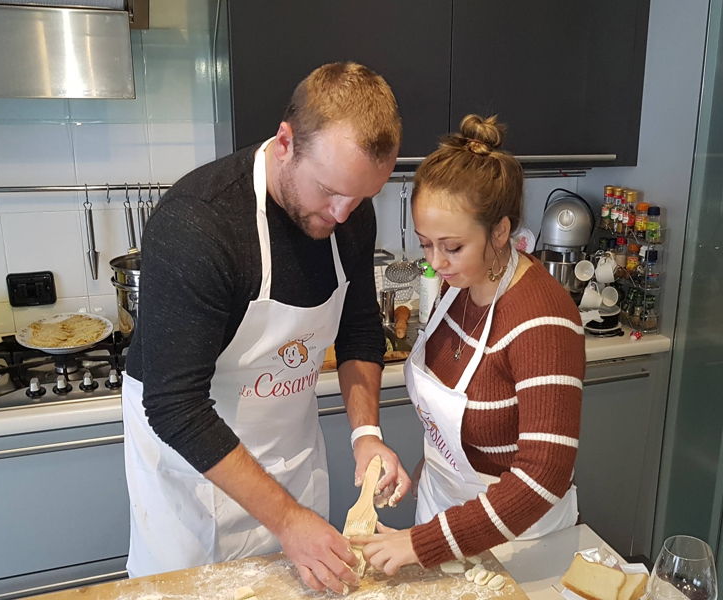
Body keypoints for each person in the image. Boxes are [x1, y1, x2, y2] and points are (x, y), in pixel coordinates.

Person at [121, 61, 412, 594]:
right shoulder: (199, 223)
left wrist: (366, 435)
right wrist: (287, 520)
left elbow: (359, 330)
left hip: (291, 463)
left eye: (362, 197)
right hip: (196, 487)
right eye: (329, 191)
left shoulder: (348, 211)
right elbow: (174, 405)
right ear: (285, 143)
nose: (343, 214)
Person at [350, 114, 585, 574]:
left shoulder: (543, 320)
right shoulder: (455, 286)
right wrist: (432, 466)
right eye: (426, 244)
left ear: (500, 231)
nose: (436, 263)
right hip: (441, 513)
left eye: (452, 247)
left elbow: (544, 476)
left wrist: (421, 544)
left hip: (517, 541)